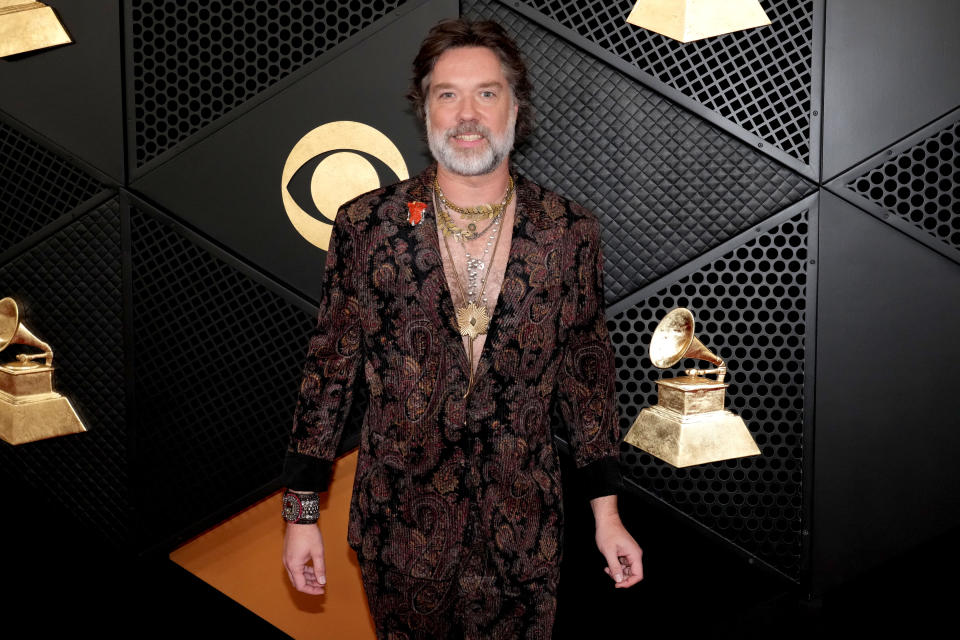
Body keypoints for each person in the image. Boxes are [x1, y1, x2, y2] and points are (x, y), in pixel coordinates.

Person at [281, 18, 643, 638]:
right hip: (398, 528)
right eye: (447, 94)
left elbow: (587, 380)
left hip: (524, 529)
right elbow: (329, 371)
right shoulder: (369, 225)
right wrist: (300, 511)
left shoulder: (568, 230)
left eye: (486, 93)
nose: (466, 113)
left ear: (514, 106)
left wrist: (605, 514)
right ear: (424, 109)